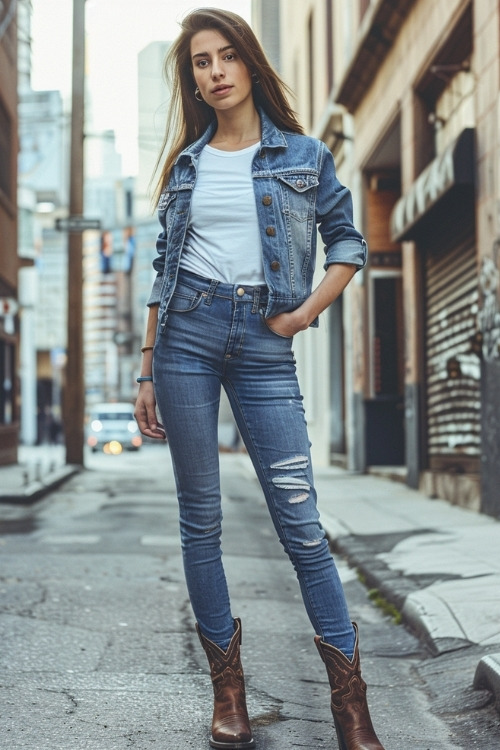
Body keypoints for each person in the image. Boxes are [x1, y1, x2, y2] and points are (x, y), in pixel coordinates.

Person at [134, 8, 385, 750]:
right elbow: (162, 273)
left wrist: (304, 313)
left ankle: (352, 709)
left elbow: (348, 241)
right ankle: (229, 696)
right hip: (185, 336)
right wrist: (147, 369)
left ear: (249, 62)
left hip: (266, 340)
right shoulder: (186, 165)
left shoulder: (303, 155)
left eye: (225, 57)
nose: (214, 73)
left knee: (302, 528)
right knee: (201, 522)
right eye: (200, 63)